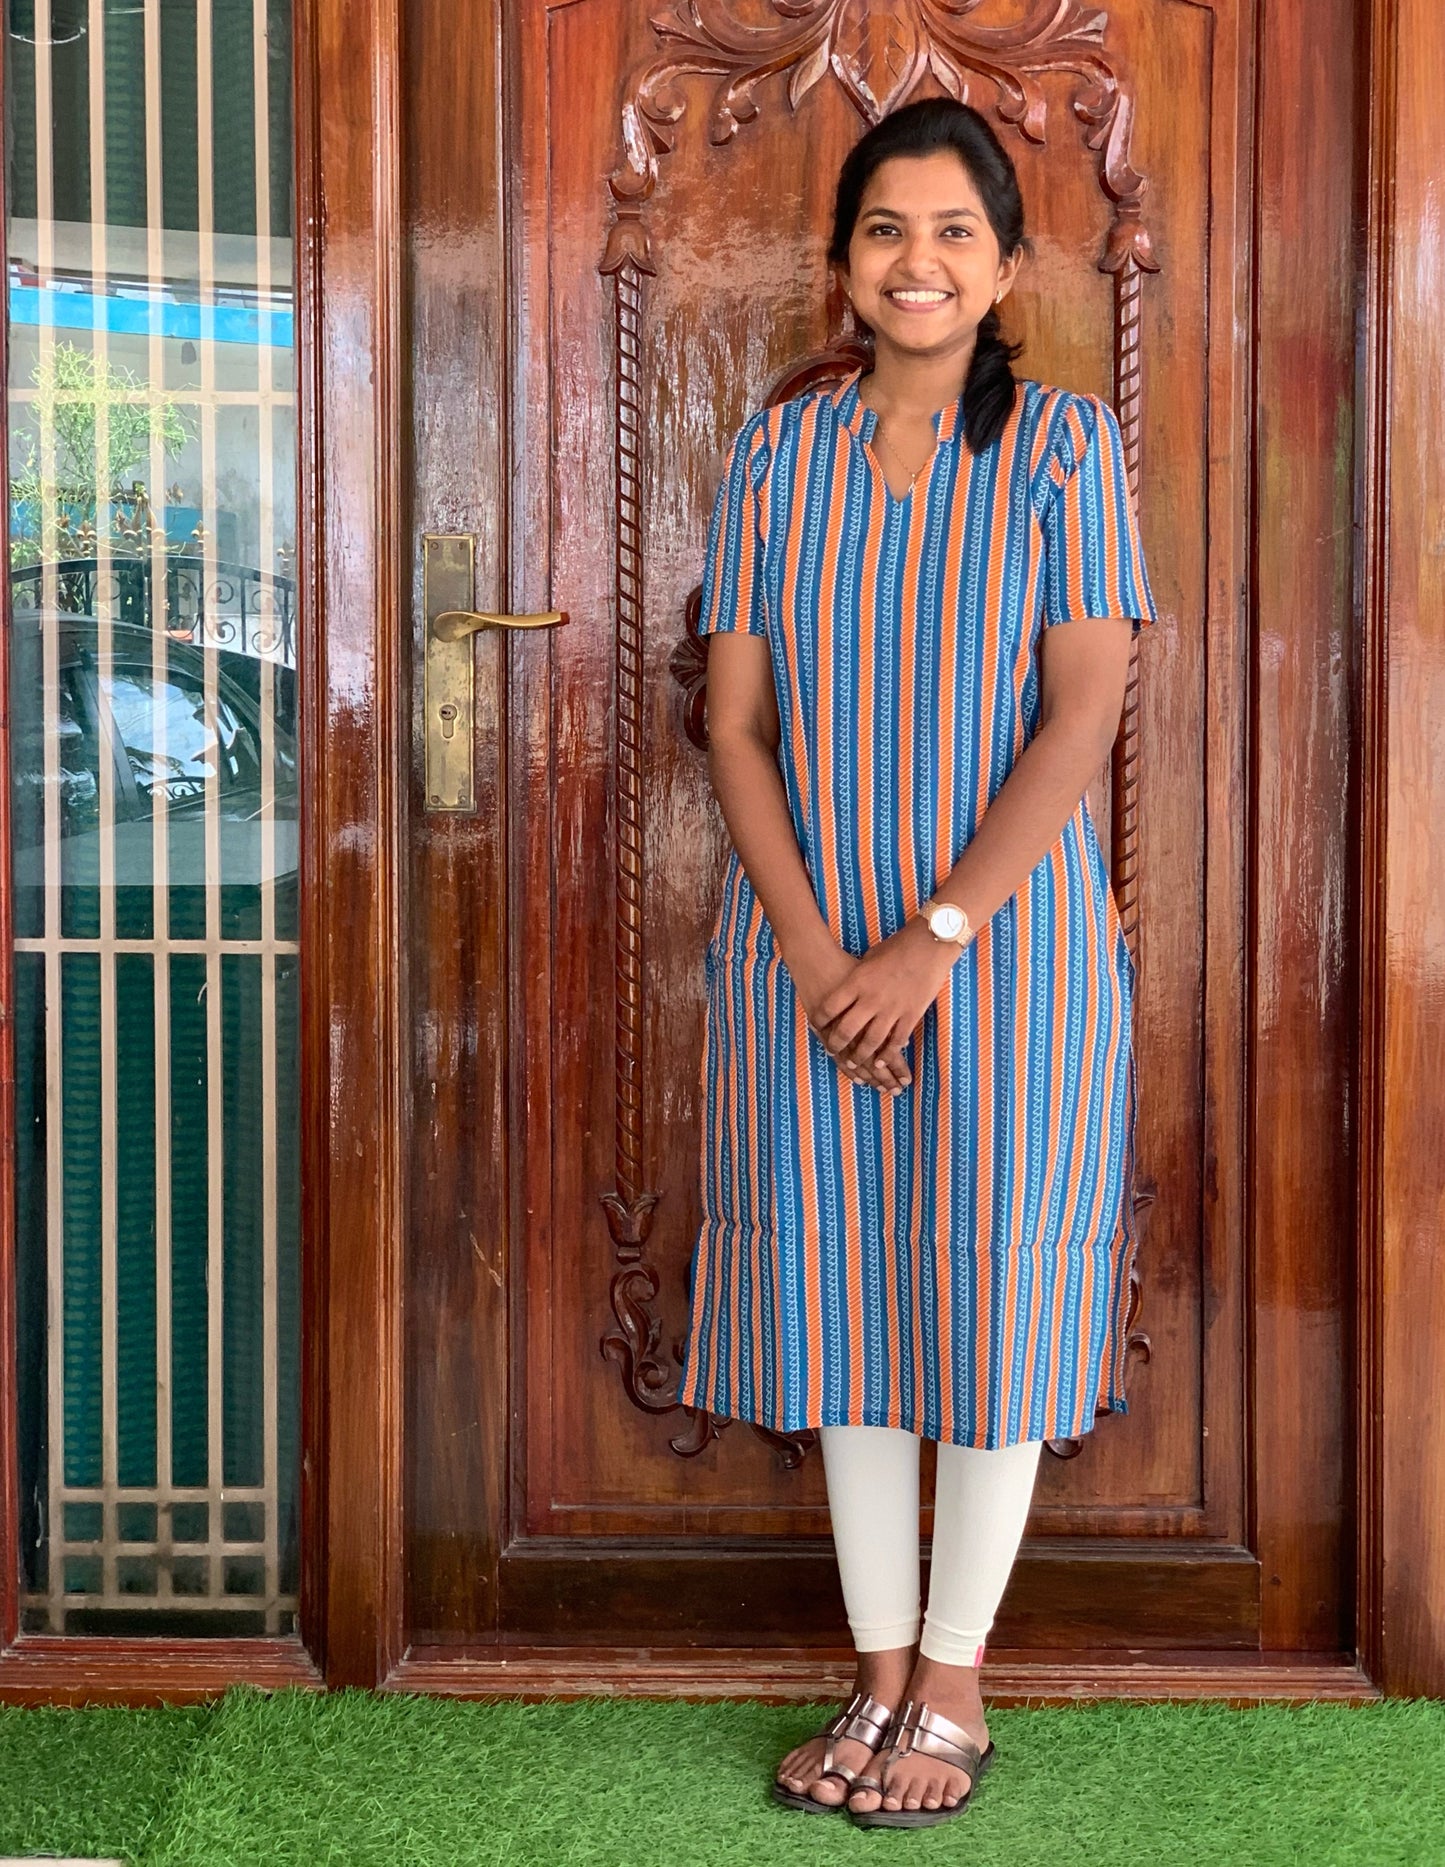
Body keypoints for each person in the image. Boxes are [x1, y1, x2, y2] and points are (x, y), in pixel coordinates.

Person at [676, 96, 1159, 1830]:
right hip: (802, 960)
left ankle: (953, 1676)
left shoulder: (1060, 450)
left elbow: (1084, 706)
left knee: (993, 1294)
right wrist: (822, 957)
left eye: (956, 231)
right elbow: (731, 729)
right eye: (886, 229)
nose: (919, 261)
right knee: (847, 1301)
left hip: (1007, 959)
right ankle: (873, 1667)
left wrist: (932, 939)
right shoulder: (770, 457)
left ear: (1007, 266)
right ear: (841, 263)